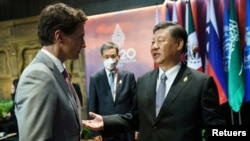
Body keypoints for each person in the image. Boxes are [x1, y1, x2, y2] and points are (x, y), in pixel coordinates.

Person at [82, 21, 226, 141]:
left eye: (160, 41)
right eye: (152, 42)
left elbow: (216, 126)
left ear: (179, 44)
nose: (154, 46)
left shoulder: (200, 83)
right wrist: (106, 122)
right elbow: (136, 118)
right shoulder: (144, 81)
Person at [14, 3, 87, 141]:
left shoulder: (56, 72)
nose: (84, 44)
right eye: (80, 37)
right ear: (59, 37)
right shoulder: (38, 76)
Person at [88, 41, 137, 141]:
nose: (110, 59)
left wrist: (137, 127)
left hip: (126, 130)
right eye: (106, 57)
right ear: (102, 58)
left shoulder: (129, 76)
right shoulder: (95, 78)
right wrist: (95, 132)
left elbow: (135, 104)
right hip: (105, 130)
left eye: (113, 56)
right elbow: (92, 106)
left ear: (118, 57)